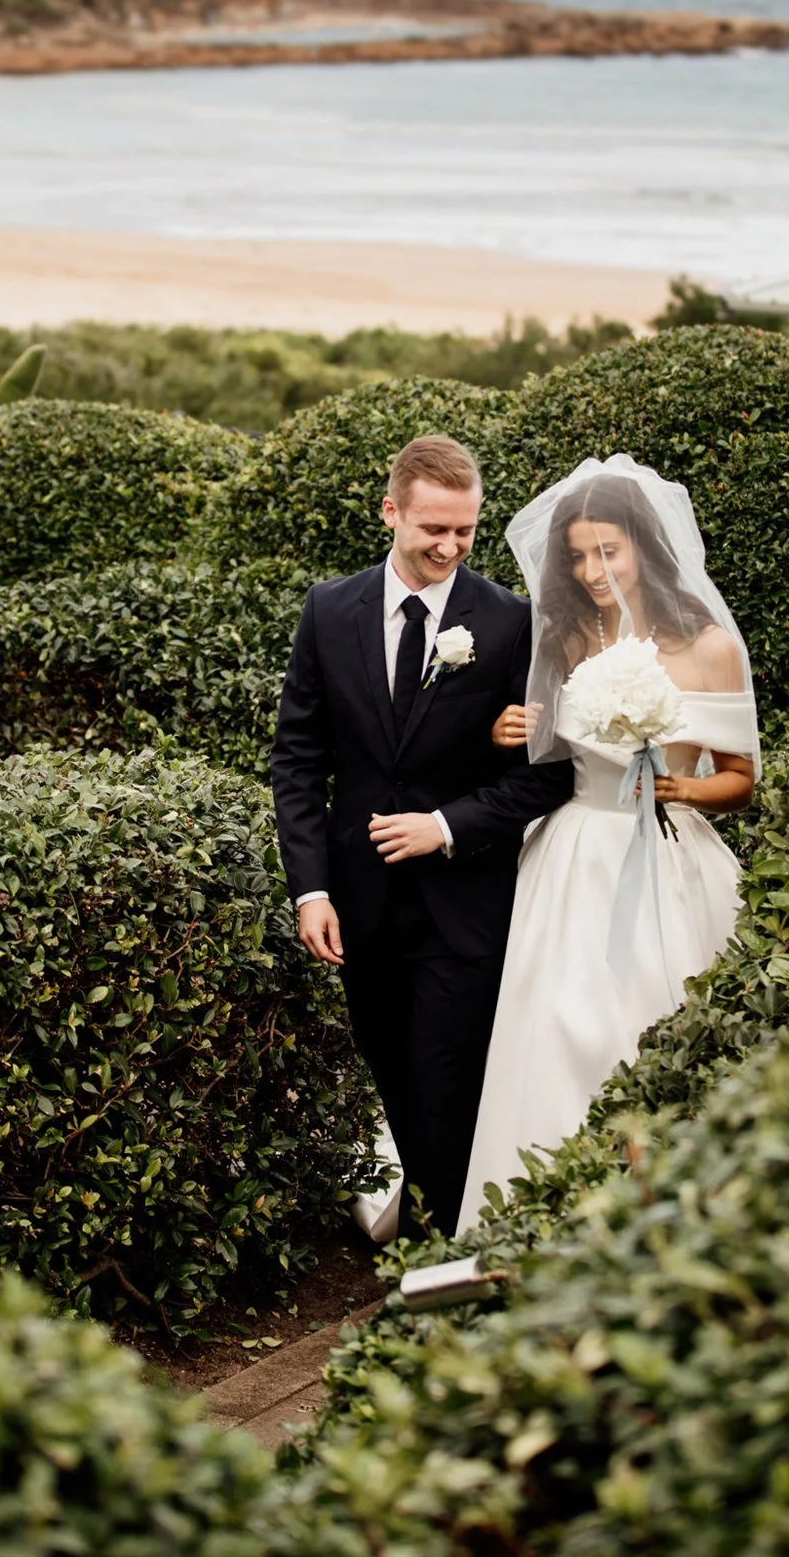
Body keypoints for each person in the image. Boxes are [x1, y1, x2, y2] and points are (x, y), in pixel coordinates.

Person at [271, 434, 573, 1241]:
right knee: (395, 1078)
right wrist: (311, 888)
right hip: (359, 907)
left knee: (446, 1082)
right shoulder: (327, 611)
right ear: (391, 511)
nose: (447, 547)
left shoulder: (509, 624)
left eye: (464, 532)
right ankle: (429, 1237)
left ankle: (436, 1259)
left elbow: (548, 774)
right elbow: (298, 763)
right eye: (431, 529)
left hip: (462, 905)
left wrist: (443, 826)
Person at [456, 454, 759, 1236]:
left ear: (644, 548)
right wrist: (502, 731)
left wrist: (682, 788)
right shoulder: (563, 634)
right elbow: (539, 754)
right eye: (577, 555)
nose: (591, 571)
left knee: (659, 1024)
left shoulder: (707, 644)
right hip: (570, 856)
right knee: (555, 1024)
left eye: (607, 551)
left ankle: (670, 1217)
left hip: (668, 856)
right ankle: (541, 1216)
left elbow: (740, 779)